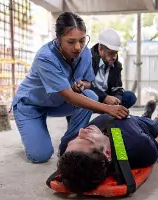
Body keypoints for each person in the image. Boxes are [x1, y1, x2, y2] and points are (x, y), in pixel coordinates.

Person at [12, 12, 128, 164]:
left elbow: (88, 82)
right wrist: (107, 108)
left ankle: (67, 145)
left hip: (56, 102)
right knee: (40, 156)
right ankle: (32, 130)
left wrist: (82, 85)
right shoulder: (45, 57)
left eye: (82, 40)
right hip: (31, 105)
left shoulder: (85, 53)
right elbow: (69, 96)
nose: (78, 47)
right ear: (58, 39)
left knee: (90, 96)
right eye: (71, 41)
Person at [57, 111, 158, 193]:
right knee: (155, 125)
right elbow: (157, 144)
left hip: (116, 113)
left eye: (76, 138)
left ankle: (147, 114)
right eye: (87, 139)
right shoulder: (138, 146)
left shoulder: (67, 146)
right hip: (140, 124)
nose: (81, 131)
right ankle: (156, 117)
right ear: (108, 153)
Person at [90, 28, 137, 108]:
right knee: (85, 94)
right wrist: (104, 97)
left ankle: (111, 115)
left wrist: (116, 100)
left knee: (130, 96)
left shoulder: (116, 66)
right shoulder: (88, 60)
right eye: (111, 53)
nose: (114, 57)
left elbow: (118, 87)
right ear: (100, 49)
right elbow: (84, 85)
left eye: (116, 53)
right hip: (93, 96)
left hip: (108, 97)